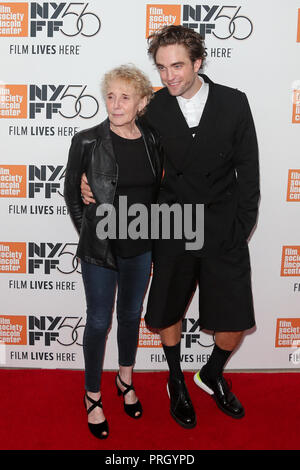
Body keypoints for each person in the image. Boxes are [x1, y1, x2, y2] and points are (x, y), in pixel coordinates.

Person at [81, 25, 260, 429]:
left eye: (177, 65)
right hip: (171, 224)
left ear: (198, 62)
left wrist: (241, 225)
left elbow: (248, 169)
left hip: (221, 226)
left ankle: (211, 374)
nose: (169, 76)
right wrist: (87, 175)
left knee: (234, 319)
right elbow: (115, 136)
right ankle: (176, 380)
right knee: (167, 310)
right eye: (161, 68)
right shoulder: (154, 107)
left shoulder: (234, 103)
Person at [64, 64, 163, 439]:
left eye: (125, 97)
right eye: (110, 96)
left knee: (131, 316)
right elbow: (73, 192)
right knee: (99, 322)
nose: (116, 104)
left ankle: (125, 379)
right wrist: (89, 231)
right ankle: (92, 396)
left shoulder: (153, 139)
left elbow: (159, 189)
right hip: (100, 252)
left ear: (141, 102)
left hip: (141, 249)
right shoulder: (87, 140)